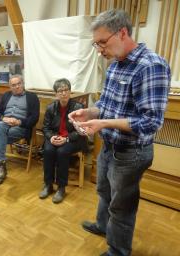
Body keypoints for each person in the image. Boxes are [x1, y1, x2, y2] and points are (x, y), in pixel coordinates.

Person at [68, 9, 171, 256]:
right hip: (110, 147)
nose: (100, 49)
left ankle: (118, 250)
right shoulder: (116, 65)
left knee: (122, 206)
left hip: (131, 153)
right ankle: (103, 226)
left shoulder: (151, 66)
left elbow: (150, 122)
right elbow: (106, 106)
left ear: (122, 33)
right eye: (96, 44)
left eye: (102, 42)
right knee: (104, 191)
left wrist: (104, 124)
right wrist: (90, 113)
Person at [39, 78, 86, 203]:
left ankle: (61, 188)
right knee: (48, 150)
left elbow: (81, 131)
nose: (64, 93)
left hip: (72, 139)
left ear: (70, 92)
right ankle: (48, 184)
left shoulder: (78, 108)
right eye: (60, 91)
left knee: (62, 152)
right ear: (56, 94)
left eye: (66, 90)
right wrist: (51, 137)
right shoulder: (51, 108)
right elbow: (46, 128)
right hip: (55, 137)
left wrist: (66, 138)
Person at [0, 74, 40, 186]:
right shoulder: (6, 96)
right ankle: (1, 165)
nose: (17, 86)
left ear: (23, 84)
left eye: (19, 84)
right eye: (14, 85)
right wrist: (4, 118)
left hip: (20, 127)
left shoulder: (32, 97)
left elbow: (34, 118)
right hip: (5, 124)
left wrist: (19, 122)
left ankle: (0, 166)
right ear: (10, 87)